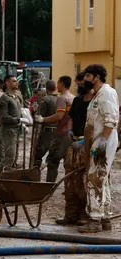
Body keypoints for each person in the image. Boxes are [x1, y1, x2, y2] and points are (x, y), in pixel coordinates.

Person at [78, 64, 119, 233]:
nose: (85, 79)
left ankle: (95, 220)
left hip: (103, 142)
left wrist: (100, 145)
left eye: (88, 76)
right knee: (102, 179)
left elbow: (111, 121)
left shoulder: (106, 93)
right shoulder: (97, 95)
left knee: (95, 179)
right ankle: (105, 218)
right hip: (99, 141)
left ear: (96, 77)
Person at [56, 71, 94, 226]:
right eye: (78, 83)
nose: (79, 85)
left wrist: (86, 139)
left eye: (82, 83)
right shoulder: (77, 100)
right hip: (74, 143)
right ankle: (70, 215)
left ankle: (84, 215)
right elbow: (70, 117)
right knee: (70, 180)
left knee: (84, 181)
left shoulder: (95, 101)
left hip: (88, 145)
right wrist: (70, 131)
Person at [35, 76, 75, 183]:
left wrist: (43, 119)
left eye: (58, 83)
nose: (57, 86)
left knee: (52, 161)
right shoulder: (73, 97)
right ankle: (69, 186)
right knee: (68, 162)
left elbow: (59, 116)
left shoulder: (62, 98)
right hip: (70, 133)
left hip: (61, 133)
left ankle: (49, 186)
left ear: (62, 83)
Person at [0, 75, 29, 174]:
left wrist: (22, 122)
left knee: (14, 158)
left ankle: (7, 177)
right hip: (9, 130)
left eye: (16, 81)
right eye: (14, 81)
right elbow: (3, 117)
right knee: (9, 157)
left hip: (17, 129)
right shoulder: (4, 98)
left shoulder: (16, 96)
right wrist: (19, 120)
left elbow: (19, 110)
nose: (17, 83)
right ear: (7, 83)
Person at [33, 80, 58, 168]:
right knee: (53, 156)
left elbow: (39, 117)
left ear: (46, 89)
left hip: (47, 131)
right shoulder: (59, 99)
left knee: (37, 154)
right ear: (55, 88)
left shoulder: (46, 99)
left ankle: (35, 172)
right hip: (57, 131)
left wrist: (35, 111)